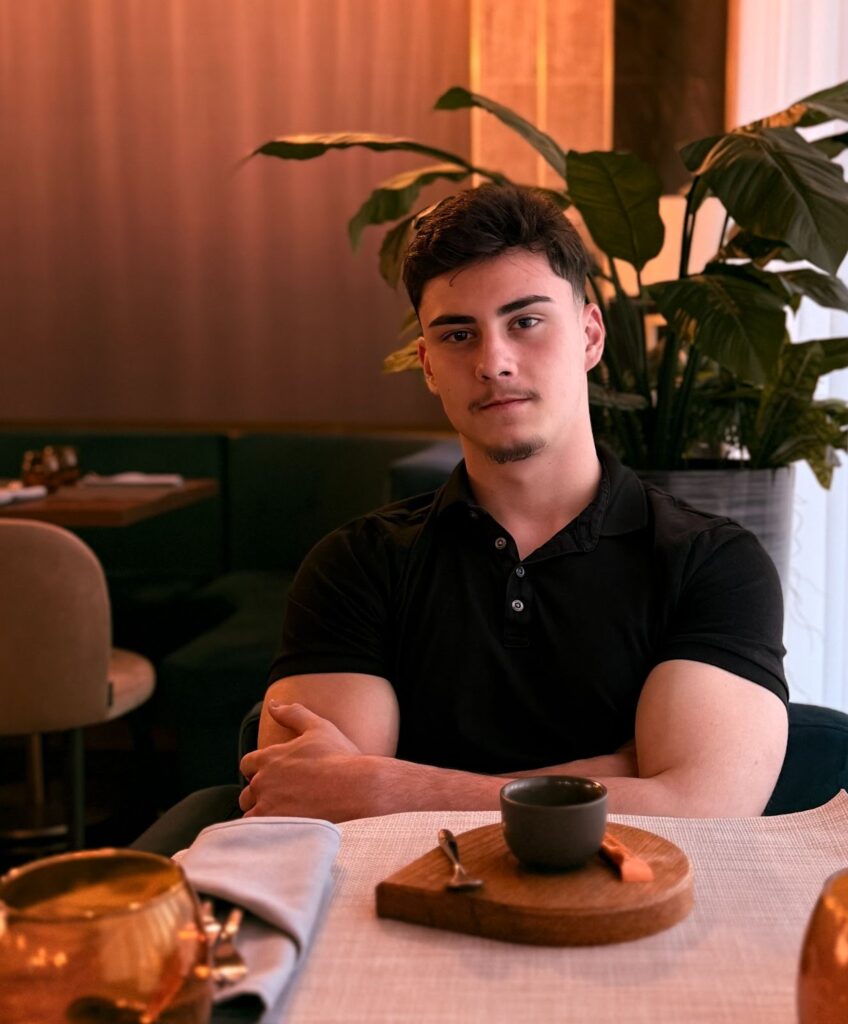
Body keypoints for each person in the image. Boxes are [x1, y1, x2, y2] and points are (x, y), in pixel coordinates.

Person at [238, 184, 789, 821]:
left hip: (639, 913)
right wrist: (627, 774)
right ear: (427, 365)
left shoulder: (712, 562)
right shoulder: (356, 564)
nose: (493, 361)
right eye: (457, 335)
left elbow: (704, 811)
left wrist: (387, 787)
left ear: (589, 335)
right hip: (395, 909)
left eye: (525, 322)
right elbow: (310, 807)